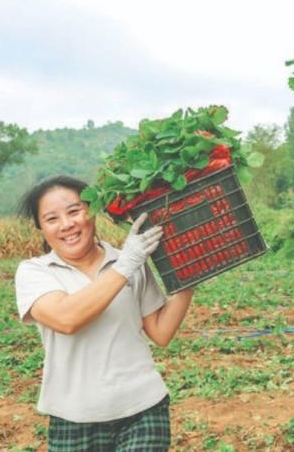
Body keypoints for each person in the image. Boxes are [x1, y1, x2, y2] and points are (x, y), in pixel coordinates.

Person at [14, 175, 193, 451]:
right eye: (52, 219)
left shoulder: (129, 258)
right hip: (73, 417)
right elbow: (66, 318)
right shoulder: (35, 272)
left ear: (92, 211)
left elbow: (161, 331)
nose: (66, 225)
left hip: (143, 407)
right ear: (41, 228)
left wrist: (190, 273)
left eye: (74, 211)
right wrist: (125, 265)